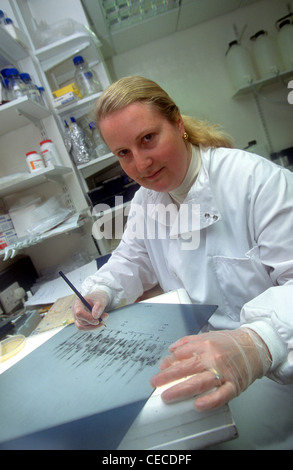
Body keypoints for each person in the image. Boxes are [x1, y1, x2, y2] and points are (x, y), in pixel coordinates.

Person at [73, 76, 293, 449]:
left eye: (147, 139)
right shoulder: (147, 201)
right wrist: (102, 289)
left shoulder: (254, 181)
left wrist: (259, 341)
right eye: (123, 153)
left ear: (177, 122)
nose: (140, 163)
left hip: (273, 369)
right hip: (199, 358)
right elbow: (131, 258)